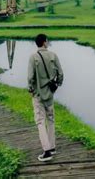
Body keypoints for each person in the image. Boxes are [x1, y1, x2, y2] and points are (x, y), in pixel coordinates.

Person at [28, 33, 64, 162]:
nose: (47, 43)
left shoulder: (33, 57)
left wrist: (31, 89)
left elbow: (30, 78)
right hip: (50, 94)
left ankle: (47, 151)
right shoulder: (53, 55)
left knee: (40, 121)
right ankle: (52, 147)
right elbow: (60, 74)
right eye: (47, 41)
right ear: (44, 42)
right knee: (51, 119)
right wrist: (57, 85)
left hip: (38, 94)